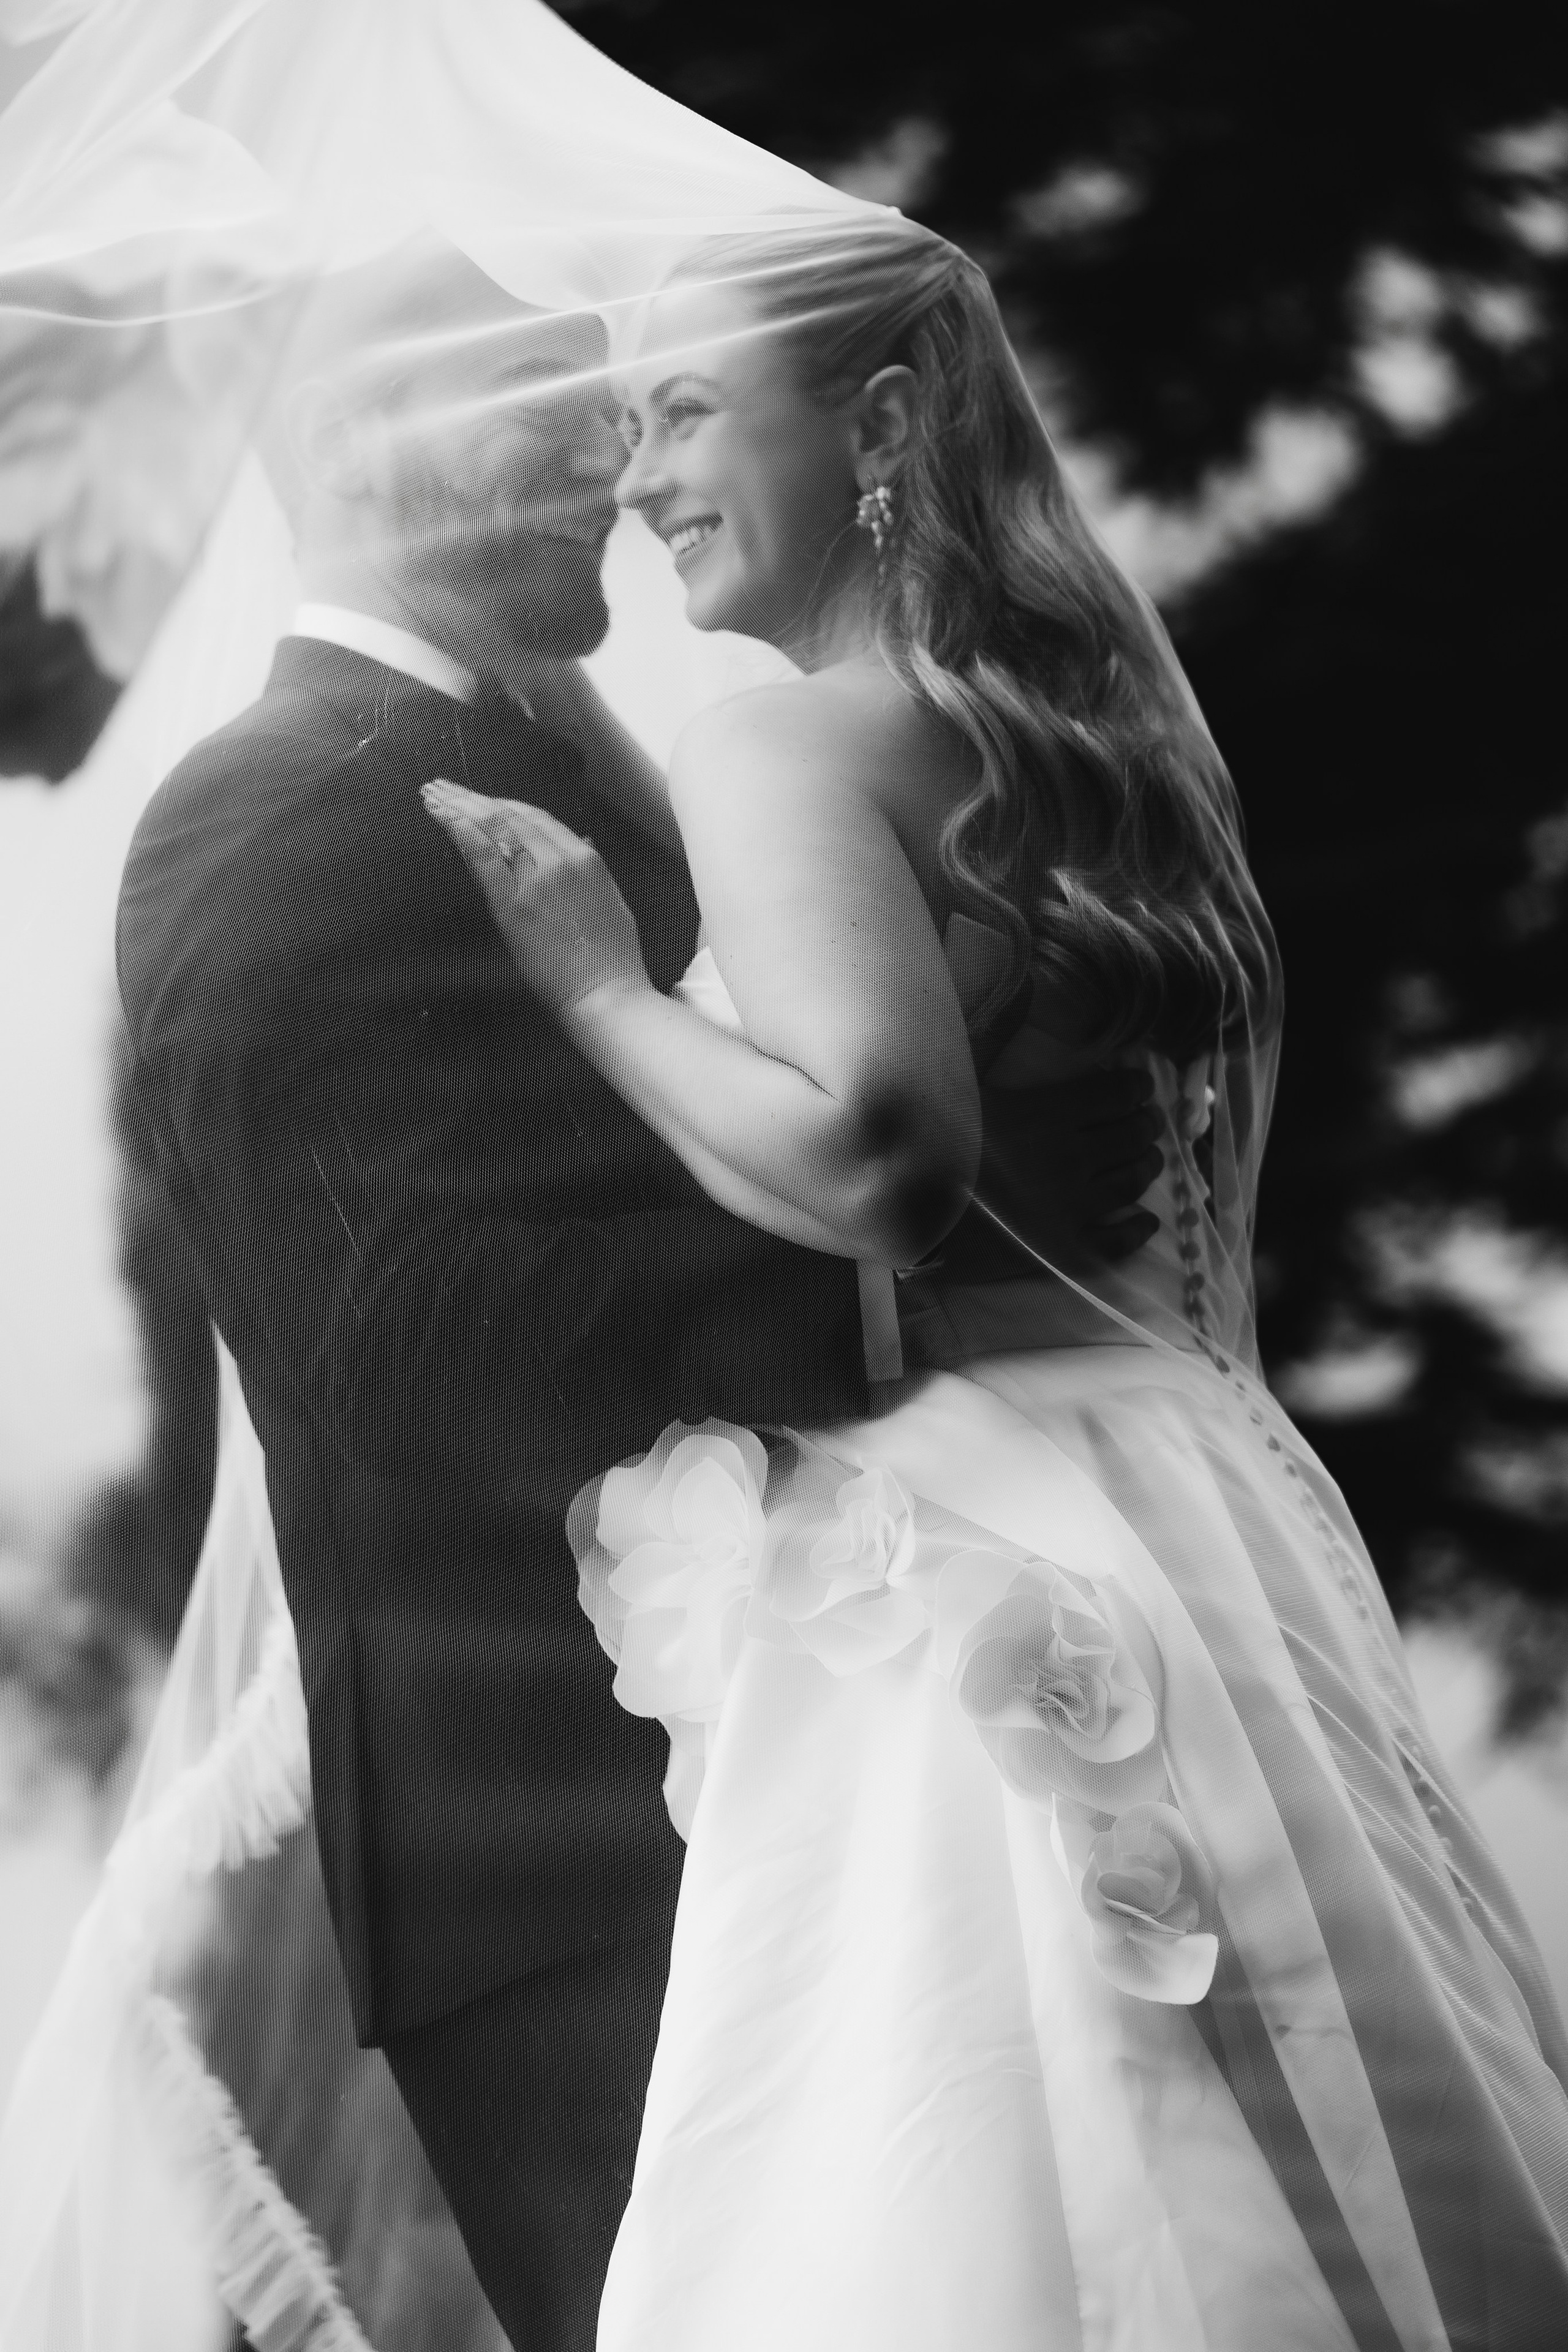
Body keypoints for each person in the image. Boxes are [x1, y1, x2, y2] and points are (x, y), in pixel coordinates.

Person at [428, 217, 1568, 2350]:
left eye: (682, 411)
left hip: (1009, 1536)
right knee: (1311, 2119)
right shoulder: (1125, 747)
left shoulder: (793, 747)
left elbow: (885, 1156)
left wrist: (598, 992)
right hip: (1231, 1505)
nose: (636, 470)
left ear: (871, 426)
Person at [102, 236, 1163, 2352]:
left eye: (641, 401)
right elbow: (403, 1353)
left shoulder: (589, 782)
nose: (610, 449)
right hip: (578, 1844)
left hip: (829, 1755)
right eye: (550, 397)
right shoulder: (277, 817)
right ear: (350, 441)